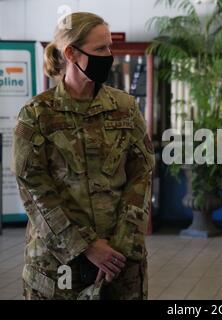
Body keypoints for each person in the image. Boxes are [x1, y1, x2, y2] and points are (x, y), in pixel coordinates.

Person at [12, 12, 155, 300]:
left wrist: (119, 245)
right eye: (100, 49)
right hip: (59, 266)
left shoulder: (125, 108)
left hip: (119, 262)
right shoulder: (37, 114)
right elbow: (33, 187)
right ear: (71, 53)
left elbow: (141, 173)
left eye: (110, 48)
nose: (109, 56)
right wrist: (87, 246)